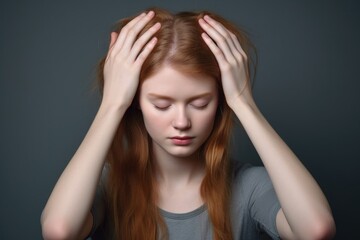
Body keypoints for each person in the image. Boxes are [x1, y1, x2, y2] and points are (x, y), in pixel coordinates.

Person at [40, 7, 336, 240]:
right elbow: (59, 231)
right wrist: (112, 103)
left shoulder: (248, 188)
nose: (181, 122)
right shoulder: (108, 184)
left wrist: (244, 102)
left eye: (199, 103)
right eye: (162, 104)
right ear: (136, 103)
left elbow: (315, 230)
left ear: (219, 100)